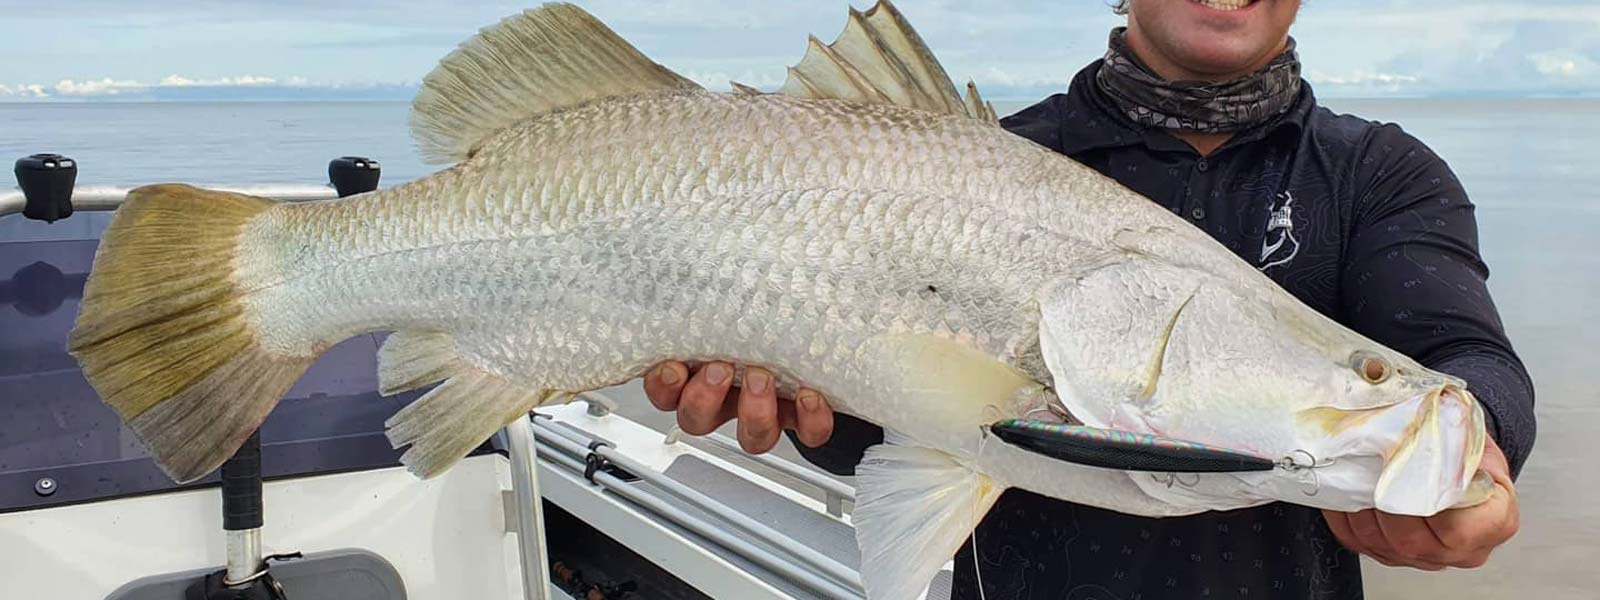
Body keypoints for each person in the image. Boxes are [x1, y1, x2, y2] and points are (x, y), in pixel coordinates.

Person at [643, 0, 1536, 597]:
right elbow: (888, 433)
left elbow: (1468, 357)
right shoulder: (992, 157)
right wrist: (798, 413)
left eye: (1366, 375)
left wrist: (1481, 445)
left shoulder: (1375, 174)